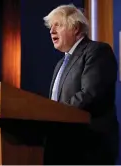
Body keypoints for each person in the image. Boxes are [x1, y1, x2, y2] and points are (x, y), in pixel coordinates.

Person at [43, 4, 119, 164]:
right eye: (51, 27)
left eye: (58, 25)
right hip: (61, 146)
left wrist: (54, 116)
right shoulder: (59, 64)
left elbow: (90, 94)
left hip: (89, 147)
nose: (52, 31)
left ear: (76, 28)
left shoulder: (97, 51)